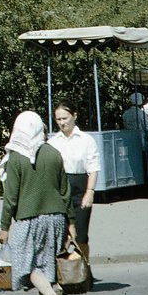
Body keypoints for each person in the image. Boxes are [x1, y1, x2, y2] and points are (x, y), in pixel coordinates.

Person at [0, 111, 73, 295]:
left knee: (25, 264)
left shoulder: (15, 158)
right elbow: (65, 191)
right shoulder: (53, 153)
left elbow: (11, 197)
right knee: (46, 265)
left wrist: (4, 226)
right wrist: (72, 222)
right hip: (57, 218)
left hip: (28, 218)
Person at [47, 100, 100, 266]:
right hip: (60, 190)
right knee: (62, 234)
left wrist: (89, 192)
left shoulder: (86, 140)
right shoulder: (52, 143)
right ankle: (64, 274)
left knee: (81, 234)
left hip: (80, 188)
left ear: (74, 116)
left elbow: (93, 168)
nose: (62, 123)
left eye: (65, 118)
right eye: (58, 119)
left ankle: (83, 270)